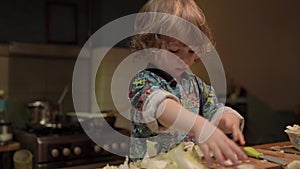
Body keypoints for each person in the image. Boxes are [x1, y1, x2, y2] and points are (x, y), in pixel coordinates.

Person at [128, 0, 248, 166]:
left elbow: (214, 111)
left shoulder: (196, 85)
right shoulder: (143, 82)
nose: (184, 59)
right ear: (149, 45)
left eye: (191, 51)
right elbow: (162, 108)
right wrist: (200, 126)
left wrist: (227, 118)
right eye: (174, 50)